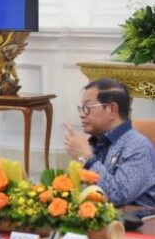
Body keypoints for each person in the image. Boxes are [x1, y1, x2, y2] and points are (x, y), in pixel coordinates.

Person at [64, 78, 155, 208]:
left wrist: (87, 158)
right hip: (99, 218)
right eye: (81, 108)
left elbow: (118, 195)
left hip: (136, 223)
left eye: (88, 107)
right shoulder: (95, 142)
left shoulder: (138, 147)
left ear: (112, 109)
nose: (82, 114)